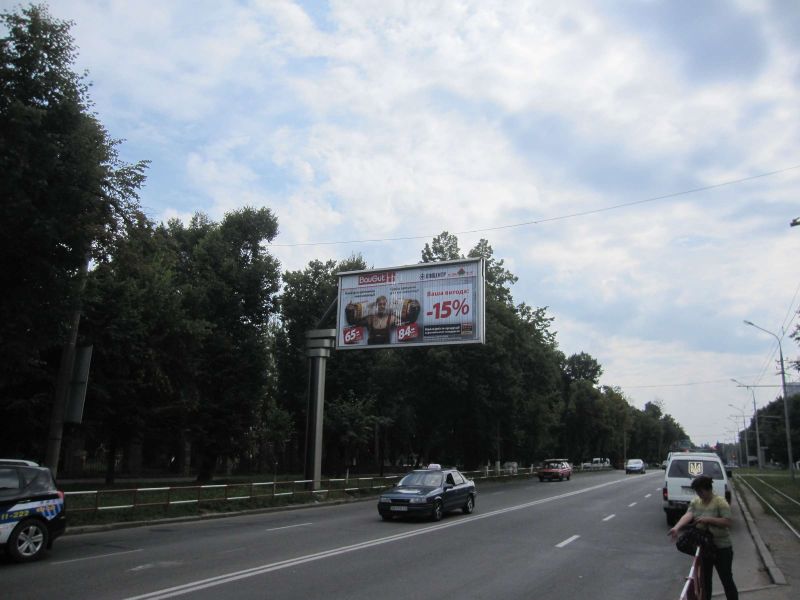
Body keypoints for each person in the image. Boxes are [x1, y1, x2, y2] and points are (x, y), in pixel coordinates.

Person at [668, 475, 738, 600]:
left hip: (722, 548)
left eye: (700, 491)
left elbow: (727, 522)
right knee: (705, 582)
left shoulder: (720, 502)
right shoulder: (696, 502)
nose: (699, 494)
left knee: (726, 579)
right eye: (697, 492)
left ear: (708, 489)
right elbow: (688, 514)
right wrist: (677, 527)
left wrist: (708, 519)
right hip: (705, 548)